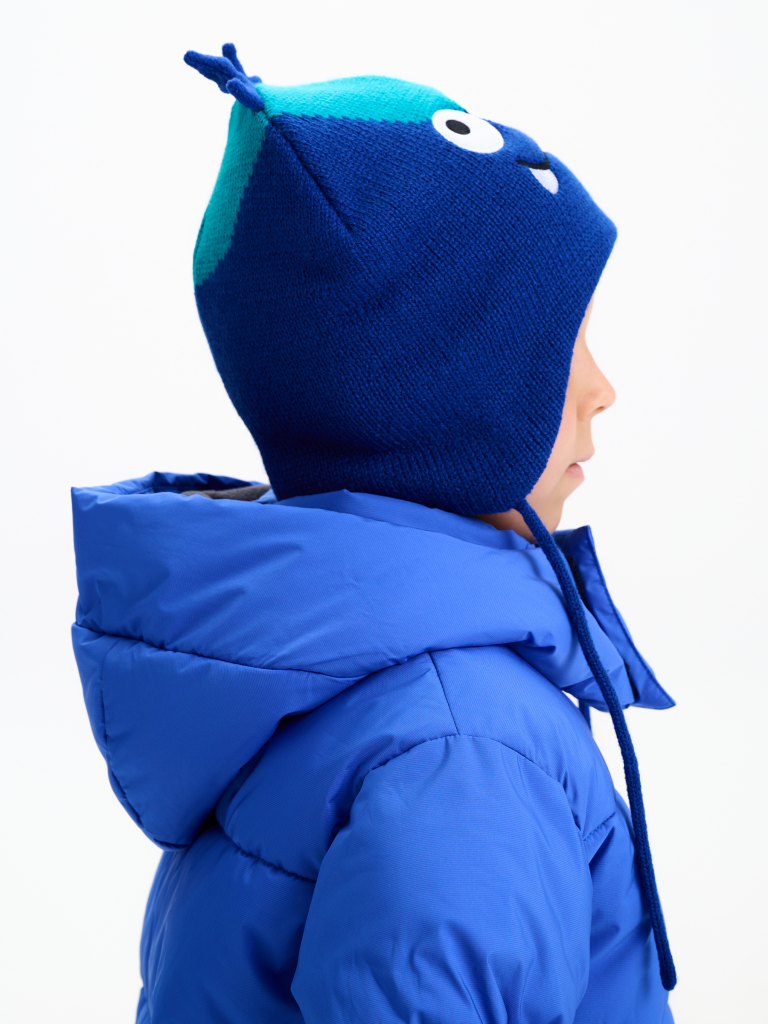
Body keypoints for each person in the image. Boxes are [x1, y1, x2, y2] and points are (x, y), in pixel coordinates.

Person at [71, 43, 677, 1023]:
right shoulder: (464, 747)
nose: (602, 389)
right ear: (449, 387)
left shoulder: (321, 680)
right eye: (565, 343)